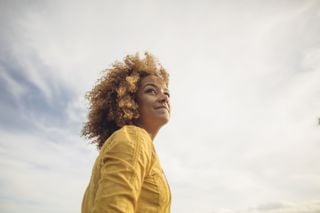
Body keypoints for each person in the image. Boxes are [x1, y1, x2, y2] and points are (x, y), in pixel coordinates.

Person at [81, 52, 171, 213]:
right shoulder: (135, 137)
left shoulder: (134, 143)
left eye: (166, 93)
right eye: (151, 91)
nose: (164, 98)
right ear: (130, 101)